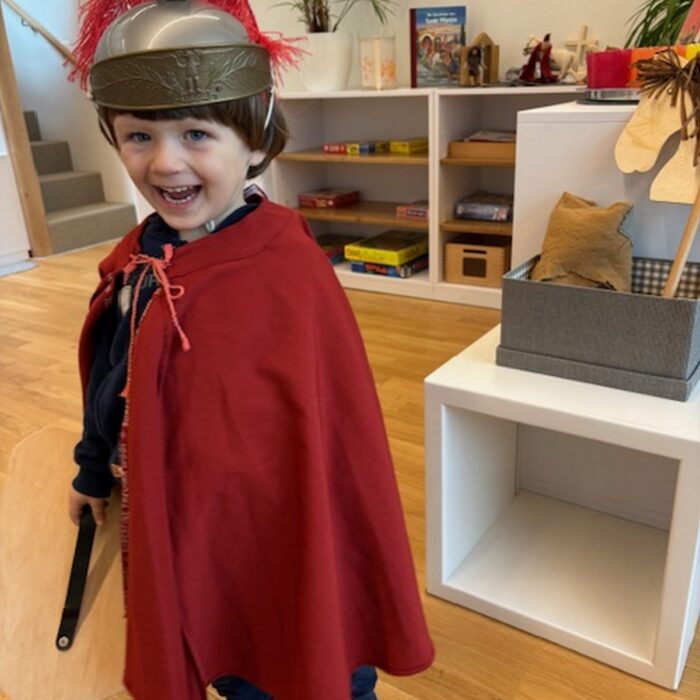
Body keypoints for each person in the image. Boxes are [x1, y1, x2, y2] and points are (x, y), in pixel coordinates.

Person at [67, 1, 434, 699]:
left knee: (310, 652)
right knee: (221, 649)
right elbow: (112, 381)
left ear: (256, 138)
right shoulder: (138, 262)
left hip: (279, 532)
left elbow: (331, 442)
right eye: (139, 134)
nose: (166, 161)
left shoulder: (287, 270)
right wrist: (92, 470)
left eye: (197, 133)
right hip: (186, 528)